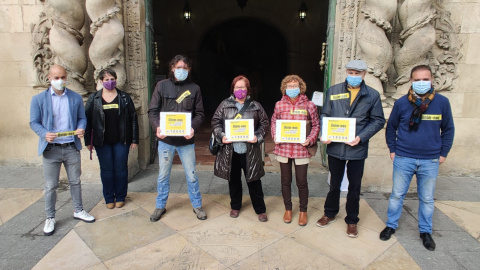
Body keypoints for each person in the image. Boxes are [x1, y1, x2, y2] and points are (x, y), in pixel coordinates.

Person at [379, 65, 455, 251]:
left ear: (431, 80)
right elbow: (391, 127)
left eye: (425, 79)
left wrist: (443, 152)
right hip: (404, 157)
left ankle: (425, 231)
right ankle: (391, 225)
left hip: (430, 160)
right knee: (397, 195)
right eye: (417, 80)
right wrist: (393, 149)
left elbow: (448, 129)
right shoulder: (402, 103)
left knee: (427, 198)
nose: (422, 83)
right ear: (411, 81)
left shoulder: (442, 102)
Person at [316, 60, 385, 237]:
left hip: (357, 147)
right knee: (334, 184)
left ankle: (352, 220)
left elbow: (378, 120)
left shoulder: (372, 95)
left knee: (354, 186)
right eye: (351, 72)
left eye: (357, 73)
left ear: (364, 75)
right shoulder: (334, 91)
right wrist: (325, 132)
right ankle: (329, 213)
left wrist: (361, 137)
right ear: (346, 72)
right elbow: (325, 114)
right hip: (336, 146)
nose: (353, 76)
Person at [29, 64, 95, 236]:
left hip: (71, 147)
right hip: (51, 149)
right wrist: (44, 134)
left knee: (75, 181)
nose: (60, 81)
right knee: (51, 186)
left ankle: (78, 210)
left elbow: (82, 118)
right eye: (56, 78)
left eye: (63, 77)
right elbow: (33, 122)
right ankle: (50, 217)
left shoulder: (75, 98)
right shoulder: (38, 100)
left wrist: (81, 128)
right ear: (49, 78)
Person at [148, 55, 207, 221]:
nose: (181, 71)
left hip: (186, 142)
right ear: (172, 68)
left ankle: (197, 205)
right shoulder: (161, 86)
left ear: (189, 70)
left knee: (192, 175)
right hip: (166, 141)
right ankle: (160, 206)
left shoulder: (194, 88)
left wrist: (193, 128)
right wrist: (157, 127)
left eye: (185, 68)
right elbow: (152, 111)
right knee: (163, 176)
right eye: (178, 67)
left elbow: (200, 113)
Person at [211, 75, 270, 222]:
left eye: (243, 87)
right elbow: (215, 122)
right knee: (234, 180)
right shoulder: (224, 105)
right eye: (237, 87)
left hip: (250, 150)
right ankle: (235, 206)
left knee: (254, 180)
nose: (240, 90)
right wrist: (222, 135)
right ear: (233, 89)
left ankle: (260, 209)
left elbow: (265, 123)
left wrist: (257, 136)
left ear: (247, 89)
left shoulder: (255, 106)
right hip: (231, 151)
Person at [84, 68, 139, 209]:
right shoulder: (94, 98)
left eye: (112, 79)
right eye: (107, 80)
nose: (110, 82)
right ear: (101, 81)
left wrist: (134, 139)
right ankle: (109, 197)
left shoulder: (125, 97)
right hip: (102, 141)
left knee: (121, 169)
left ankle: (120, 196)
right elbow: (87, 120)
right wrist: (87, 140)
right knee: (107, 170)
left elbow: (133, 118)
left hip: (122, 140)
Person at [271, 75, 320, 226]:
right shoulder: (279, 105)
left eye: (295, 86)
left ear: (301, 87)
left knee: (301, 182)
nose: (292, 88)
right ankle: (288, 209)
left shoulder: (309, 105)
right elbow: (274, 122)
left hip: (301, 149)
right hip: (284, 148)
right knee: (285, 181)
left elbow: (316, 125)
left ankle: (303, 211)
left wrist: (310, 139)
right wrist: (275, 136)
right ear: (284, 88)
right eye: (289, 86)